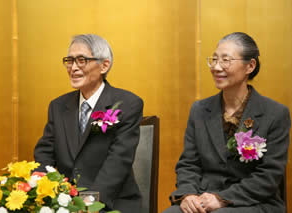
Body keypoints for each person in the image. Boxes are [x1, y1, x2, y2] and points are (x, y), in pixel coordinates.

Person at [163, 32, 291, 213]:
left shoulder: (275, 114)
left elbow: (268, 176)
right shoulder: (199, 109)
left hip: (253, 202)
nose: (216, 67)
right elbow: (188, 163)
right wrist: (188, 195)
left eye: (225, 60)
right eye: (214, 59)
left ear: (250, 66)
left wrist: (222, 199)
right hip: (203, 196)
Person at [34, 34, 143, 213]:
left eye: (81, 60)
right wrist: (45, 191)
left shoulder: (128, 104)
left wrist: (88, 204)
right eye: (69, 60)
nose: (73, 68)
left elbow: (118, 162)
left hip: (111, 202)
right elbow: (44, 153)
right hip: (64, 202)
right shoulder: (58, 106)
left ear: (104, 65)